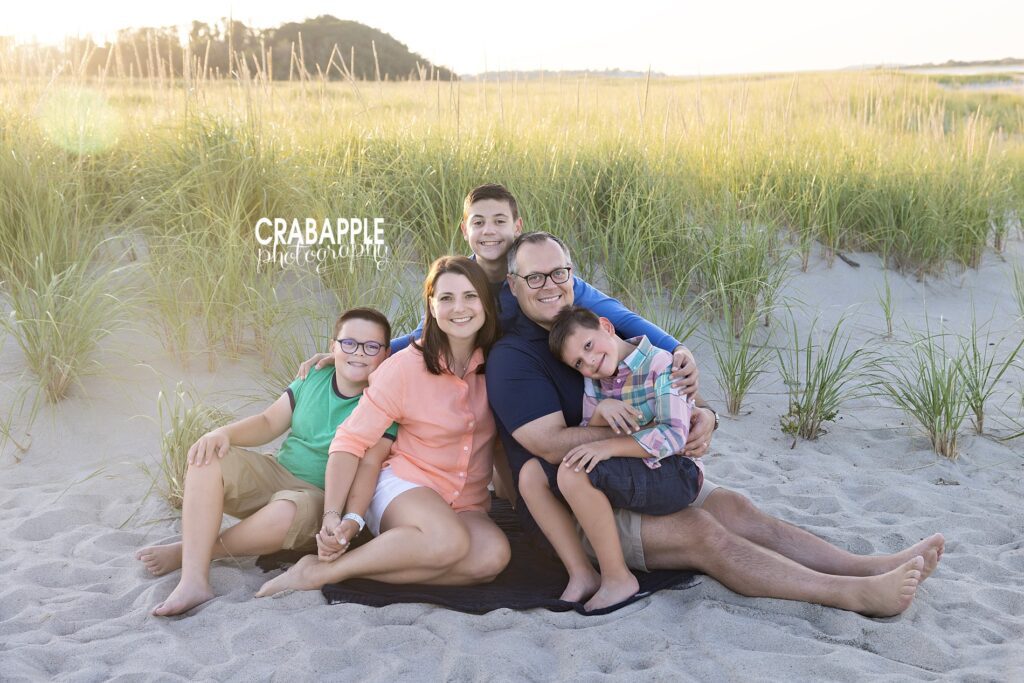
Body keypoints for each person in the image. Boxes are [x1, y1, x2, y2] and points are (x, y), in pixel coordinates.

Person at [487, 232, 945, 617]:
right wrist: (640, 431)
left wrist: (704, 415)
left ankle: (866, 566)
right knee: (702, 532)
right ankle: (853, 594)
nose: (550, 285)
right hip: (577, 501)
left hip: (638, 467)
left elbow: (669, 383)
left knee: (737, 510)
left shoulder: (594, 328)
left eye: (559, 273)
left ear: (573, 274)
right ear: (514, 284)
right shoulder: (514, 357)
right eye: (535, 277)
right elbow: (550, 444)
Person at [256, 256, 511, 597]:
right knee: (447, 541)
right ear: (431, 306)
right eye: (446, 298)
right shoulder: (405, 367)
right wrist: (333, 514)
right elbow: (349, 442)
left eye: (470, 296)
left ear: (485, 303)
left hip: (466, 500)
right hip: (407, 484)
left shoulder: (498, 363)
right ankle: (319, 572)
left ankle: (359, 568)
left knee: (491, 559)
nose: (459, 308)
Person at [137, 308, 397, 616]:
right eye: (349, 343)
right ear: (333, 346)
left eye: (371, 347)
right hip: (278, 471)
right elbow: (268, 422)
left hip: (322, 498)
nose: (359, 353)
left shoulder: (385, 401)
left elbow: (368, 467)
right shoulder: (314, 376)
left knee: (287, 510)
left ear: (386, 354)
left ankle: (191, 551)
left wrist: (349, 520)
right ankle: (193, 580)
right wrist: (222, 433)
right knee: (207, 458)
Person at [518, 305, 704, 609]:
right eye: (579, 363)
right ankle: (582, 574)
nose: (590, 361)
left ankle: (618, 578)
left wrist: (609, 447)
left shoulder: (663, 363)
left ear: (606, 326)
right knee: (531, 473)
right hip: (631, 468)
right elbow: (589, 434)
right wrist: (601, 413)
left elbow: (673, 435)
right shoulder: (595, 383)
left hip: (676, 472)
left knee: (573, 472)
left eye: (589, 346)